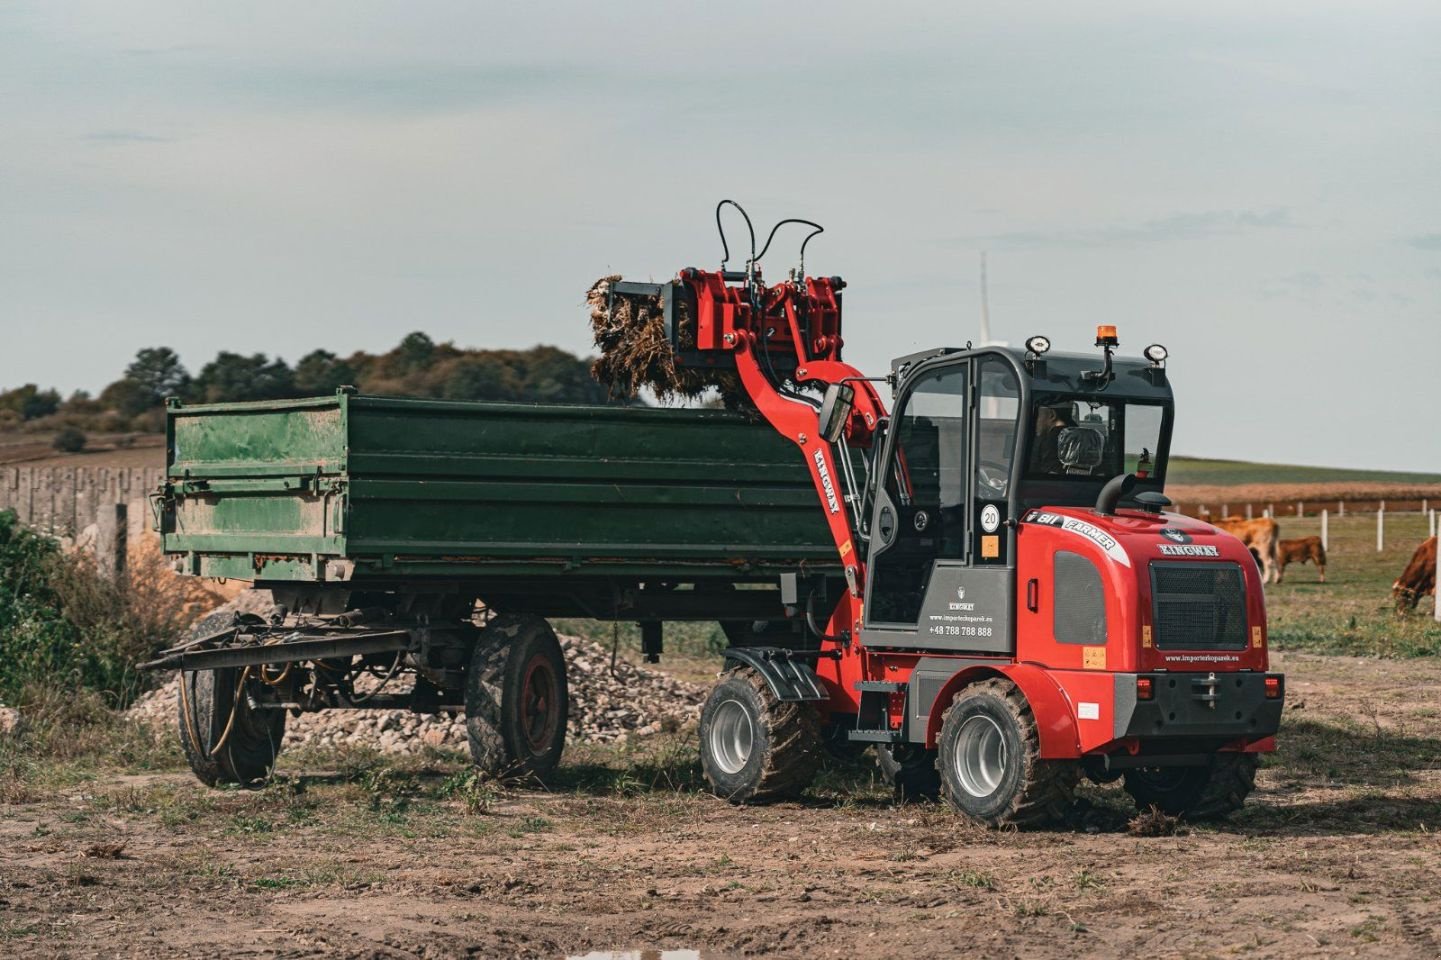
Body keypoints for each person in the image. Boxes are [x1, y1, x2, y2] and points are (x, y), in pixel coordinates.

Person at [1031, 403, 1076, 475]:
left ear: (1052, 415)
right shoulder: (1081, 438)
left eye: (1037, 416)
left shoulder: (1047, 441)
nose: (1035, 422)